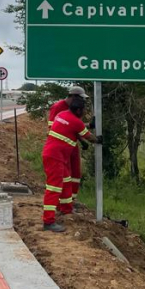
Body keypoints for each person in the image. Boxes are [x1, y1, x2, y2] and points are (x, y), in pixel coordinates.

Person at [42, 95, 99, 232]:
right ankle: (48, 221)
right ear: (79, 110)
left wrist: (88, 127)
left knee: (66, 181)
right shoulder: (76, 122)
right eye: (84, 109)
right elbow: (89, 137)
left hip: (55, 155)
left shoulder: (62, 114)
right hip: (55, 157)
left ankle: (66, 209)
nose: (84, 112)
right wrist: (98, 139)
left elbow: (72, 128)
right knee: (54, 187)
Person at [48, 86, 88, 216]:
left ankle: (70, 202)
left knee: (75, 174)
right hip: (60, 147)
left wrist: (81, 141)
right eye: (81, 99)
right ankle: (61, 206)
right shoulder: (58, 108)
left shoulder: (74, 109)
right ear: (74, 97)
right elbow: (56, 128)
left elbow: (75, 126)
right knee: (63, 178)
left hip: (71, 144)